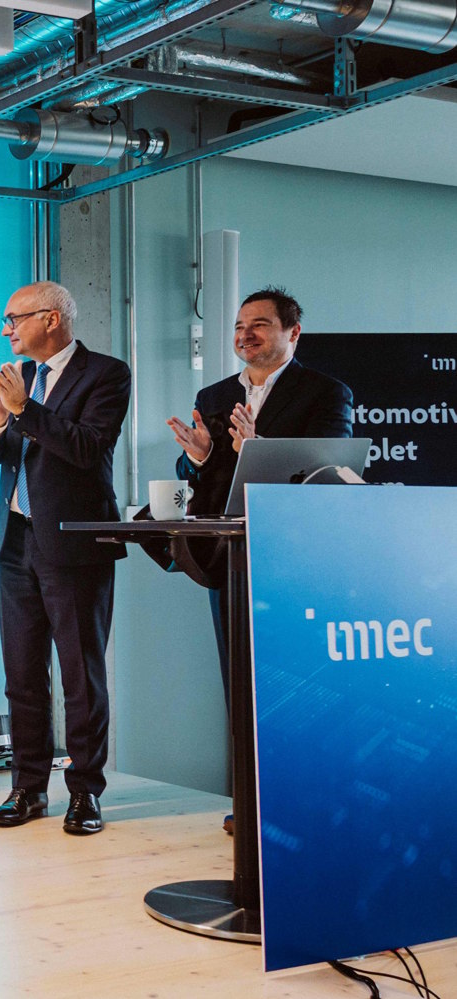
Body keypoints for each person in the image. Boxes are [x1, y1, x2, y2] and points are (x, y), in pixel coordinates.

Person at [166, 286, 352, 835]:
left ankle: (299, 799)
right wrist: (197, 458)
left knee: (294, 685)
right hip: (230, 555)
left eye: (260, 325)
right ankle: (249, 806)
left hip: (295, 560)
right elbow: (205, 476)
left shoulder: (325, 392)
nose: (245, 335)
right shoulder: (216, 392)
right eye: (240, 325)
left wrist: (261, 446)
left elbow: (330, 469)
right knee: (239, 683)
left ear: (293, 333)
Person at [0, 281, 130, 836]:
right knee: (22, 675)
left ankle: (85, 793)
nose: (6, 329)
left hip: (73, 543)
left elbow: (85, 448)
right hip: (13, 542)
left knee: (81, 674)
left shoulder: (106, 374)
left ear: (52, 319)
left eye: (14, 319)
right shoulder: (21, 381)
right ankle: (27, 788)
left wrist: (23, 410)